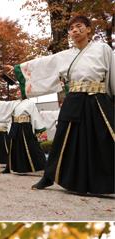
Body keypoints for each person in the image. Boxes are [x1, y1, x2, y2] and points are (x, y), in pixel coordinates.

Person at [6, 15, 113, 194]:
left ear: (88, 29)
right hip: (74, 98)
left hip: (97, 98)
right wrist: (18, 69)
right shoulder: (66, 55)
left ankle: (105, 181)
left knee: (104, 138)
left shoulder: (102, 49)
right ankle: (49, 176)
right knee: (63, 137)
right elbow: (45, 64)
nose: (75, 31)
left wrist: (111, 97)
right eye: (71, 29)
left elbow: (112, 75)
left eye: (79, 27)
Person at [0, 95, 47, 174]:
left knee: (31, 146)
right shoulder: (14, 103)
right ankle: (9, 167)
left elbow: (34, 115)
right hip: (15, 125)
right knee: (12, 147)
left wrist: (38, 128)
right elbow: (4, 108)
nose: (18, 93)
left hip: (25, 127)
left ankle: (44, 165)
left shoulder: (30, 103)